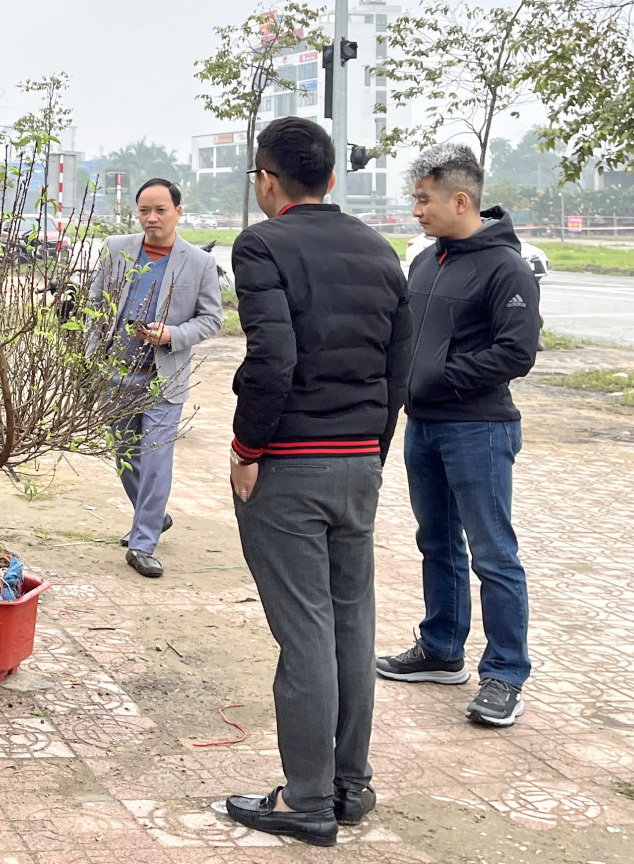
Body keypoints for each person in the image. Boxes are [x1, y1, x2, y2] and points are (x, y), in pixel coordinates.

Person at [223, 117, 411, 846]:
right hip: (359, 459)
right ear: (330, 179)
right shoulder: (381, 250)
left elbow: (273, 358)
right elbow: (398, 368)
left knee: (304, 633)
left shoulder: (262, 244)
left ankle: (303, 800)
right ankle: (348, 783)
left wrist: (246, 447)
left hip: (291, 465)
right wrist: (374, 449)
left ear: (268, 179)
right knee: (351, 624)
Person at [377, 143, 541, 729]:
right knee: (438, 543)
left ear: (460, 199)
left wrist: (443, 379)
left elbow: (516, 352)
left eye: (423, 199)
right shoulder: (427, 260)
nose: (416, 210)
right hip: (423, 427)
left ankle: (505, 674)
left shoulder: (506, 267)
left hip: (479, 429)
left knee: (494, 555)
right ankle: (442, 650)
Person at [88, 178, 223, 579]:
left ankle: (142, 542)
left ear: (178, 212)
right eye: (145, 210)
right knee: (124, 454)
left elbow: (212, 318)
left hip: (163, 377)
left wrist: (173, 335)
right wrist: (94, 352)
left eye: (161, 210)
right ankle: (154, 515)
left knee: (156, 458)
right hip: (117, 373)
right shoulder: (116, 250)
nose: (152, 218)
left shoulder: (198, 262)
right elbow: (96, 302)